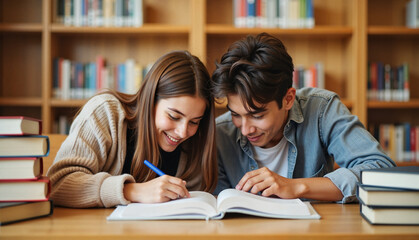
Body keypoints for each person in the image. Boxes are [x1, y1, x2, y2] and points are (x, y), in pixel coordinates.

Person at [211, 33, 395, 203]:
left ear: (288, 99)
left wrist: (297, 187)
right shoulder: (220, 134)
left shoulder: (322, 109)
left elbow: (381, 170)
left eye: (257, 115)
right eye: (235, 114)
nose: (245, 129)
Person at [47, 50, 217, 208]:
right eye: (174, 117)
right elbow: (58, 183)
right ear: (150, 100)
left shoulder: (195, 141)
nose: (182, 132)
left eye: (194, 122)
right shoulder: (105, 112)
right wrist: (133, 191)